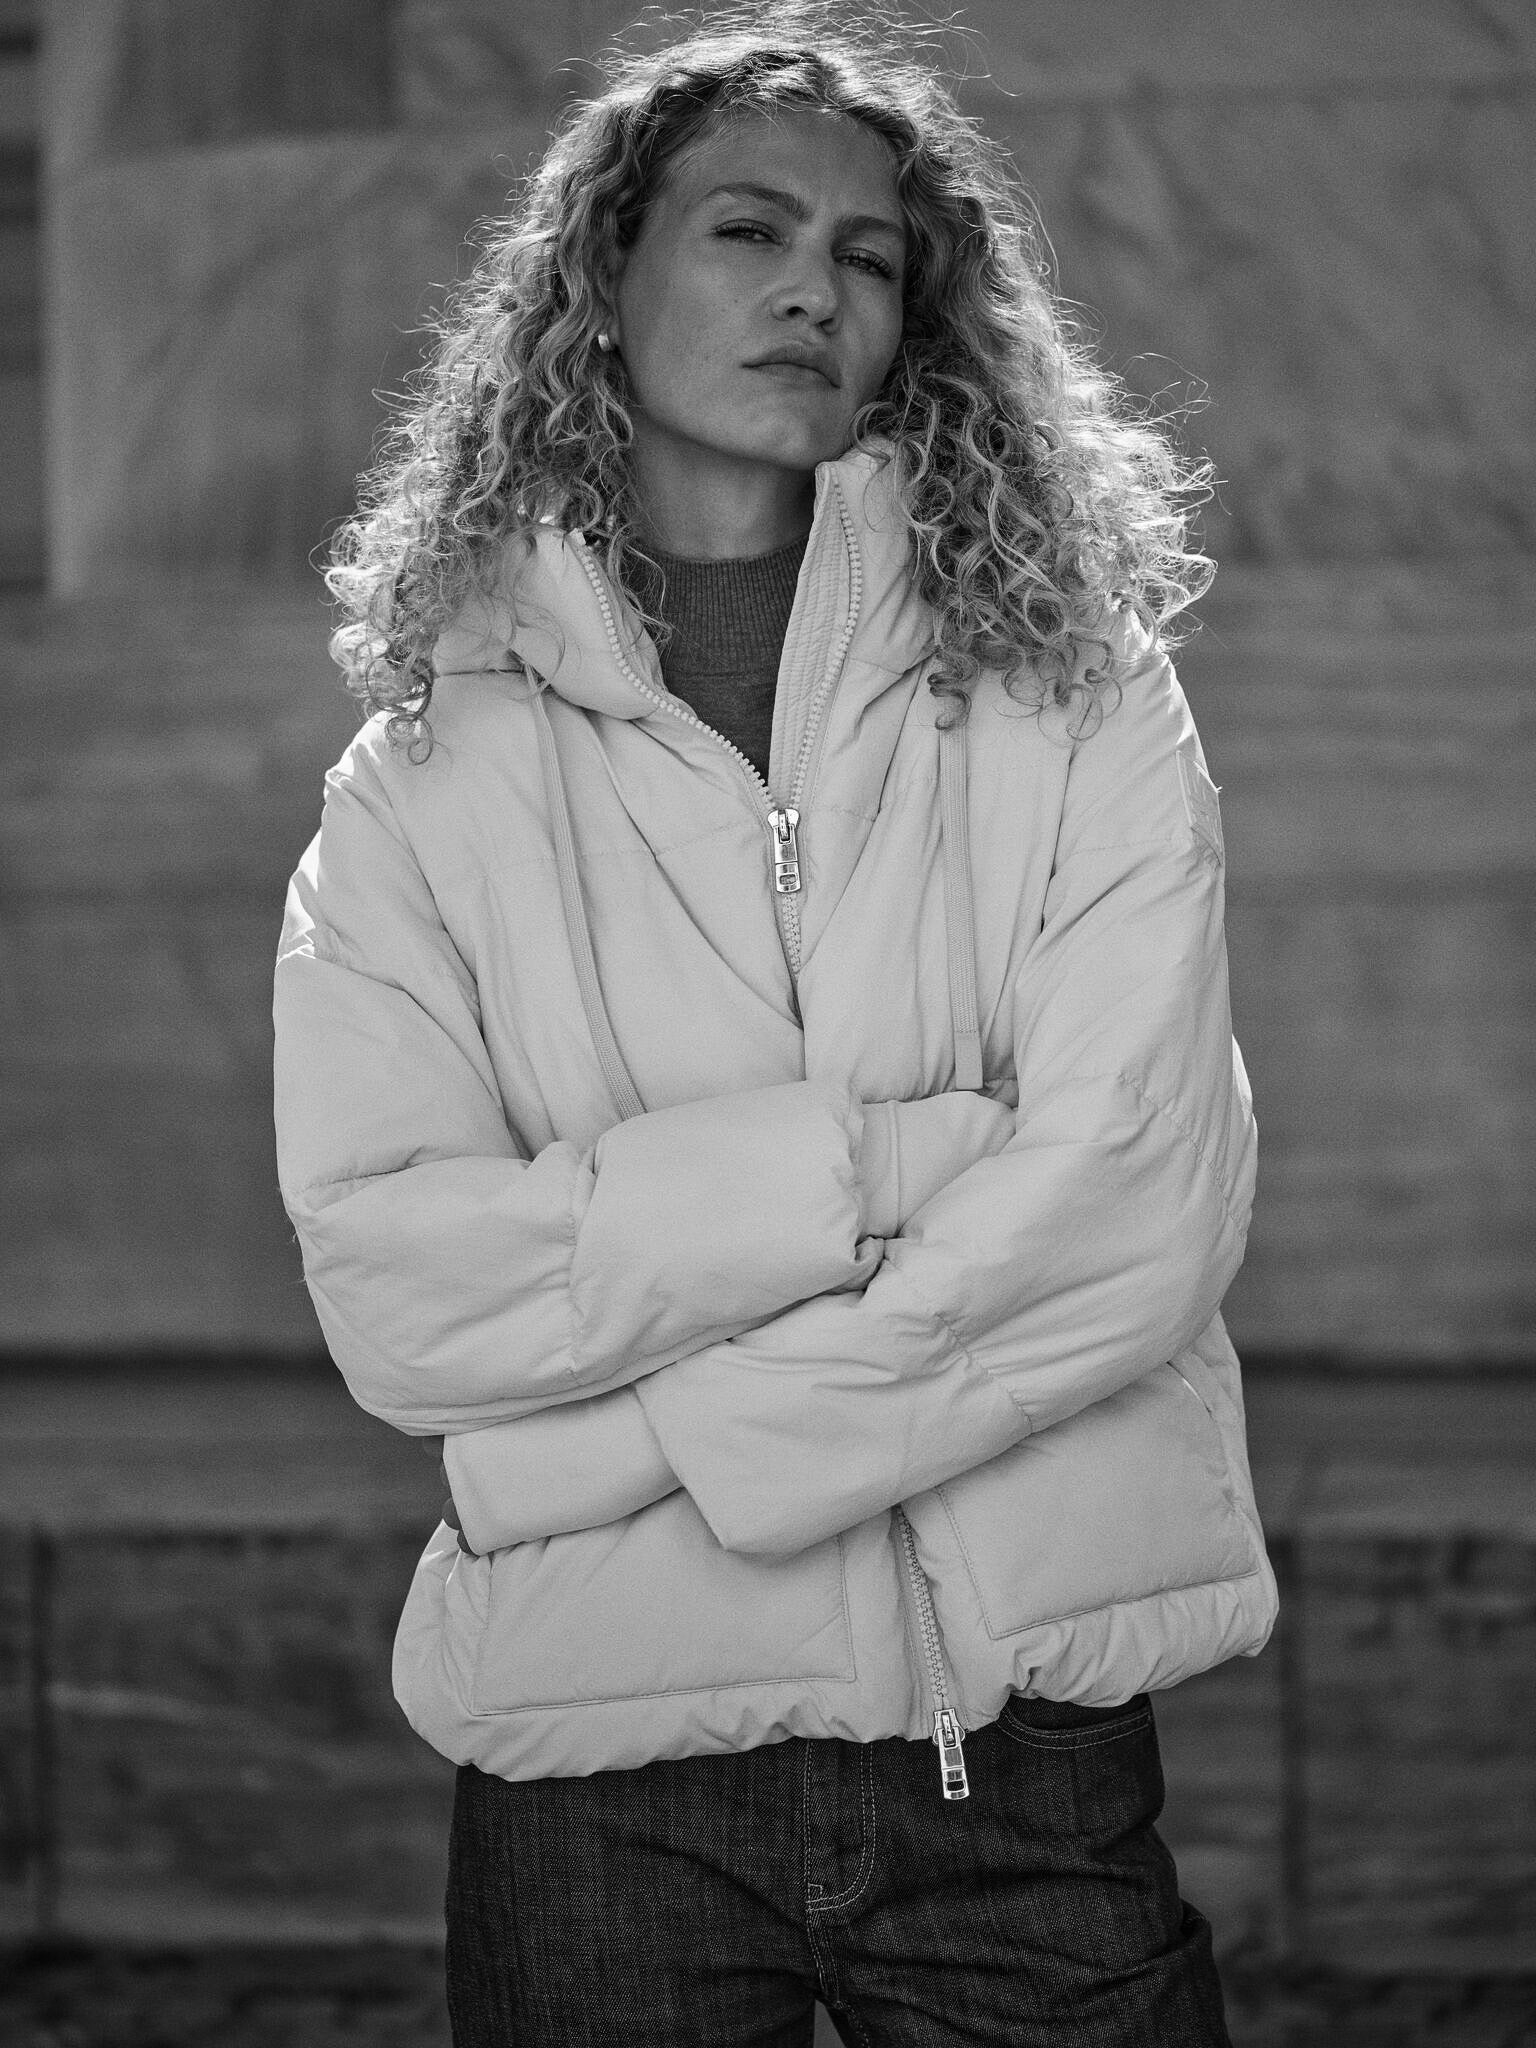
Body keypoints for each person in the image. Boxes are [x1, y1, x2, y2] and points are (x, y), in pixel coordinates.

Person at [274, 7, 1275, 2042]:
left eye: (869, 255)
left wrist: (638, 1437)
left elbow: (1138, 1206)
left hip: (1020, 1756)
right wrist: (896, 1165)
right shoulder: (420, 783)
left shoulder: (1078, 695)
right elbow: (403, 1288)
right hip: (599, 1772)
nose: (817, 286)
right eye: (749, 229)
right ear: (604, 275)